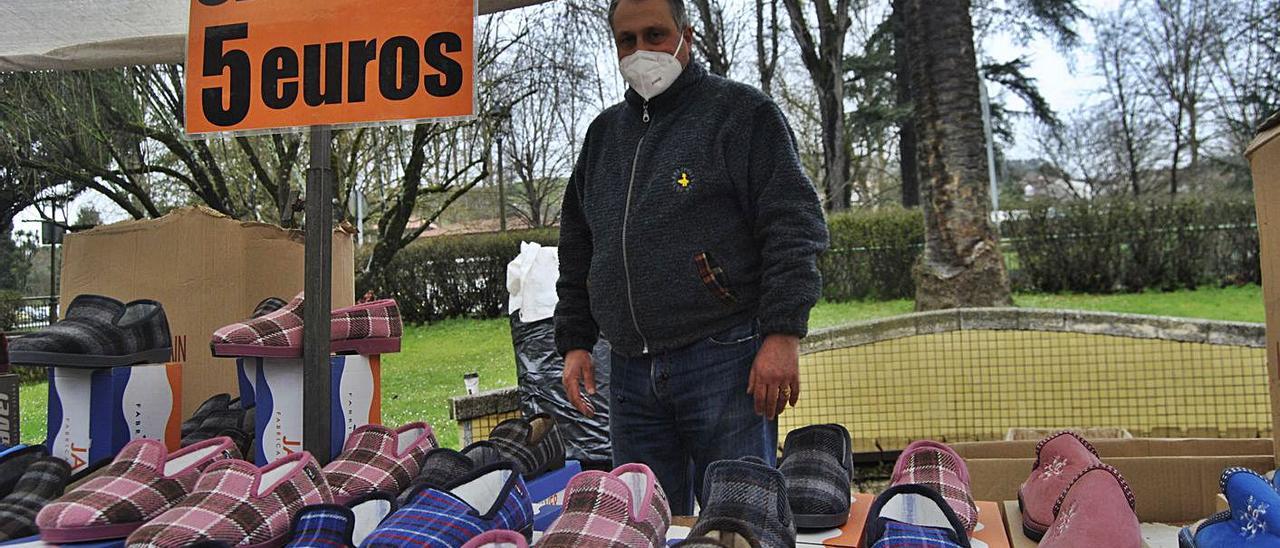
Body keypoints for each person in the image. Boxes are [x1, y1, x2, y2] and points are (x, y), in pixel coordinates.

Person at [554, 0, 829, 515]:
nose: (641, 51)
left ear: (687, 35)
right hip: (630, 370)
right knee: (644, 520)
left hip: (723, 357)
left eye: (655, 34)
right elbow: (578, 247)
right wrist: (575, 341)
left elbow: (793, 225)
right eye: (626, 40)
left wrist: (783, 333)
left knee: (740, 519)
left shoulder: (742, 114)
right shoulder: (603, 136)